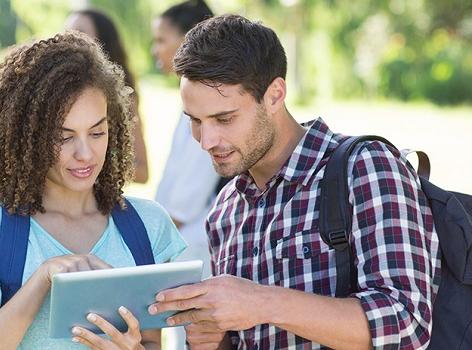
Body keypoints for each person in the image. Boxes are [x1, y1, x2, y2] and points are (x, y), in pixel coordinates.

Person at [148, 15, 441, 349]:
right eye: (195, 121)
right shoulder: (225, 210)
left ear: (275, 95)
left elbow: (406, 322)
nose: (206, 140)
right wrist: (211, 340)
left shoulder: (365, 167)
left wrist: (261, 302)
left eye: (224, 118)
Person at [0, 31, 186, 350]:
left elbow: (153, 342)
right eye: (64, 137)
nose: (85, 153)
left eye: (97, 132)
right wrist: (43, 279)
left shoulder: (148, 225)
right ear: (28, 136)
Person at [152, 0, 220, 279]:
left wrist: (154, 245)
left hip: (192, 244)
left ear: (189, 37)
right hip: (180, 239)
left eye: (161, 39)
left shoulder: (209, 105)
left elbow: (187, 197)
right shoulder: (190, 100)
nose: (156, 49)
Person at [65, 8, 149, 183]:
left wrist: (93, 164)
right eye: (67, 32)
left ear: (102, 42)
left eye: (80, 32)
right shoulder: (50, 96)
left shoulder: (123, 100)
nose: (69, 39)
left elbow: (142, 172)